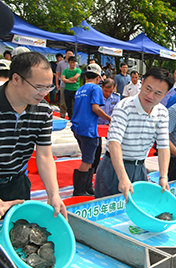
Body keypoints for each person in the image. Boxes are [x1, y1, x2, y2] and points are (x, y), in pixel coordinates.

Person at [0, 52, 66, 218]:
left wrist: (54, 194)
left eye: (48, 87)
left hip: (17, 183)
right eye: (38, 87)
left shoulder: (43, 110)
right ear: (16, 79)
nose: (44, 93)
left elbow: (44, 155)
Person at [94, 67, 174, 201]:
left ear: (165, 94)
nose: (150, 96)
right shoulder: (123, 107)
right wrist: (122, 177)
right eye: (148, 89)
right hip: (114, 167)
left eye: (158, 93)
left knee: (136, 207)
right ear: (141, 83)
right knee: (109, 210)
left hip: (139, 168)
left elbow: (163, 146)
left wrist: (163, 176)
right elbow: (114, 143)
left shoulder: (162, 113)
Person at [70, 64, 111, 196]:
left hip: (78, 128)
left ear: (86, 76)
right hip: (88, 129)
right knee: (87, 161)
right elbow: (96, 108)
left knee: (90, 158)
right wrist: (110, 118)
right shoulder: (95, 88)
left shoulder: (80, 90)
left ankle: (87, 187)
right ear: (99, 77)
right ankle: (79, 190)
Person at [61, 56, 82, 120]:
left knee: (76, 105)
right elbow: (63, 79)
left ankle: (77, 117)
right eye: (71, 62)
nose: (72, 64)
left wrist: (67, 80)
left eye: (74, 62)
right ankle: (70, 117)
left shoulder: (78, 70)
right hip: (67, 89)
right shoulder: (65, 71)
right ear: (68, 63)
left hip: (75, 89)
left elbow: (76, 77)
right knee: (68, 105)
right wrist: (71, 81)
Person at [55, 49, 73, 118]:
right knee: (63, 101)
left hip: (72, 85)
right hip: (63, 84)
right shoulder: (61, 63)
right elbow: (57, 74)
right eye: (68, 53)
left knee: (72, 101)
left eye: (71, 54)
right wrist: (57, 84)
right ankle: (62, 115)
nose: (70, 55)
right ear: (65, 54)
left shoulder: (75, 64)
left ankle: (71, 116)